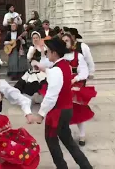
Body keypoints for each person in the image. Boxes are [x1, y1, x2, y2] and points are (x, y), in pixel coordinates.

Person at [31, 37, 93, 169]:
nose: (46, 53)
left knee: (52, 141)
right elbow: (56, 74)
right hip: (67, 110)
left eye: (48, 51)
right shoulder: (65, 65)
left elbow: (51, 96)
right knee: (68, 141)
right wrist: (44, 69)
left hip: (57, 112)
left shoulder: (56, 70)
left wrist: (41, 114)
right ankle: (86, 166)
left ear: (54, 53)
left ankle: (62, 167)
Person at [14, 31, 47, 102]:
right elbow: (29, 57)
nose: (35, 39)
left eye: (37, 38)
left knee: (44, 83)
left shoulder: (44, 47)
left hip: (44, 69)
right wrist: (34, 49)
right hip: (35, 69)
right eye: (34, 38)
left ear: (39, 38)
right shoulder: (32, 48)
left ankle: (41, 98)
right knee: (31, 84)